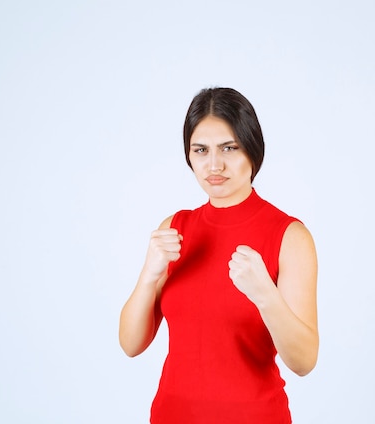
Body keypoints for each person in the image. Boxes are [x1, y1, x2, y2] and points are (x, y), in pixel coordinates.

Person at [119, 87, 318, 424]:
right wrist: (148, 275)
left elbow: (304, 361)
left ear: (252, 150)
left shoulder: (289, 236)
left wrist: (265, 295)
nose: (214, 164)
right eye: (201, 150)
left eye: (229, 147)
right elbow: (131, 344)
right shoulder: (174, 228)